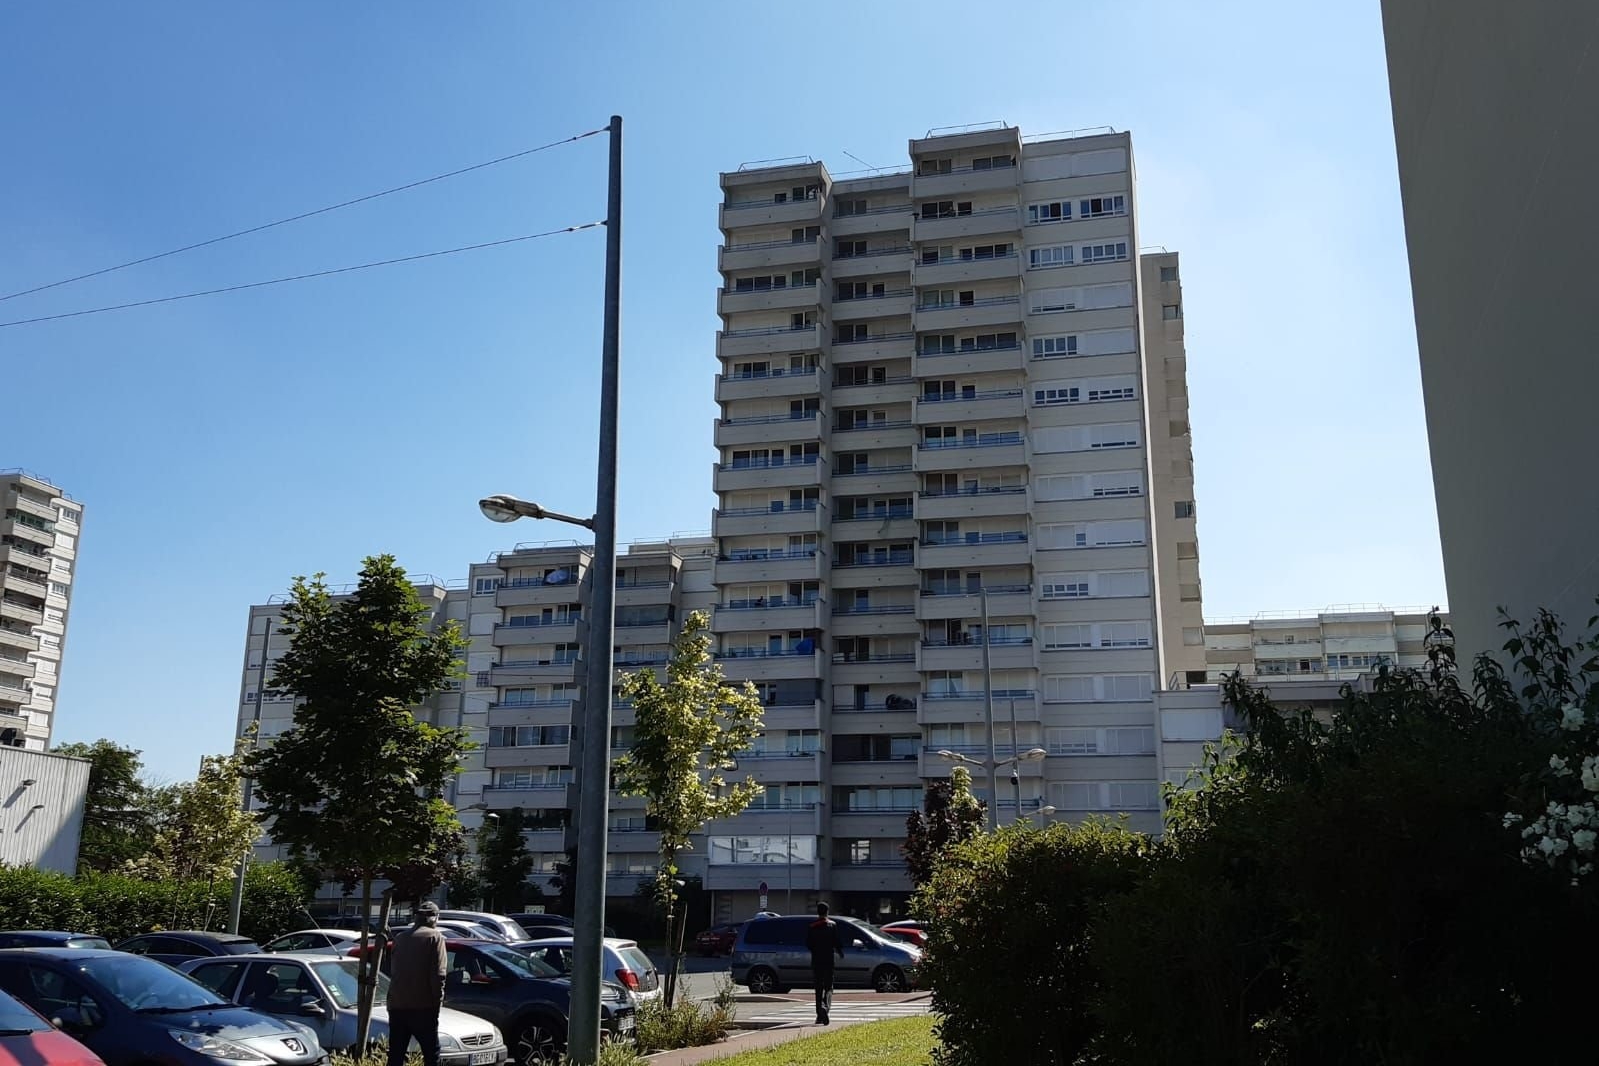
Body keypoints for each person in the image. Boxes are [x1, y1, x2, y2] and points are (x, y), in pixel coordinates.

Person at [386, 900, 447, 1066]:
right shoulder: (435, 937)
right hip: (423, 1006)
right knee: (431, 1053)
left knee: (396, 1054)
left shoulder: (400, 938)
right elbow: (438, 974)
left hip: (397, 1005)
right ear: (434, 918)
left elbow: (395, 970)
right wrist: (437, 1001)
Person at [804, 902, 847, 1025]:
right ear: (827, 912)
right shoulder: (832, 925)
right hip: (829, 960)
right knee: (828, 987)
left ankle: (819, 1015)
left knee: (818, 987)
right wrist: (840, 952)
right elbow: (837, 942)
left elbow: (808, 944)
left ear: (818, 912)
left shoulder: (812, 926)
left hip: (817, 960)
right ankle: (825, 1008)